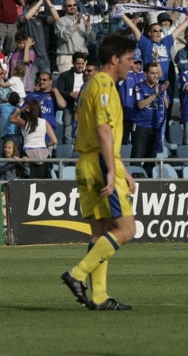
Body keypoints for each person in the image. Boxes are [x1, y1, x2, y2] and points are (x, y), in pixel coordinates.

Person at [61, 33, 138, 311]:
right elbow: (104, 130)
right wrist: (111, 170)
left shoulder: (91, 85)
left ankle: (99, 296)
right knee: (127, 229)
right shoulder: (104, 84)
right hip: (100, 163)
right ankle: (77, 274)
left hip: (87, 161)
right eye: (129, 59)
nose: (132, 64)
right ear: (114, 59)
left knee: (100, 232)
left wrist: (123, 170)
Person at [130, 62, 169, 176]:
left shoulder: (160, 88)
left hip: (155, 127)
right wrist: (155, 95)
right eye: (152, 73)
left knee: (151, 158)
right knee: (137, 157)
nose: (155, 76)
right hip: (141, 126)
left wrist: (162, 92)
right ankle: (134, 180)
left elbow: (166, 105)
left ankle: (148, 181)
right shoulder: (139, 87)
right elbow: (141, 105)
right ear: (145, 74)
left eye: (157, 73)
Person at [9, 98, 57, 178]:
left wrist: (21, 110)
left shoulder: (24, 122)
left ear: (28, 109)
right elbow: (54, 141)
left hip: (28, 153)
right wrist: (46, 144)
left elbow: (11, 119)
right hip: (43, 153)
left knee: (29, 181)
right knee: (45, 182)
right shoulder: (45, 122)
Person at [55, 0, 95, 74]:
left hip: (82, 58)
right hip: (67, 58)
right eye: (69, 6)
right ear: (64, 7)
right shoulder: (60, 21)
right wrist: (76, 24)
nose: (72, 7)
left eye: (74, 5)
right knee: (67, 85)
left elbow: (92, 39)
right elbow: (64, 37)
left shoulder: (83, 20)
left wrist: (87, 27)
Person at [55, 51, 86, 144]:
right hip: (69, 106)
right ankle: (67, 155)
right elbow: (59, 90)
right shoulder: (65, 75)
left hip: (83, 107)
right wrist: (70, 94)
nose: (80, 66)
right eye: (78, 64)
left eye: (82, 64)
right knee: (67, 133)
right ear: (73, 63)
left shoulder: (87, 75)